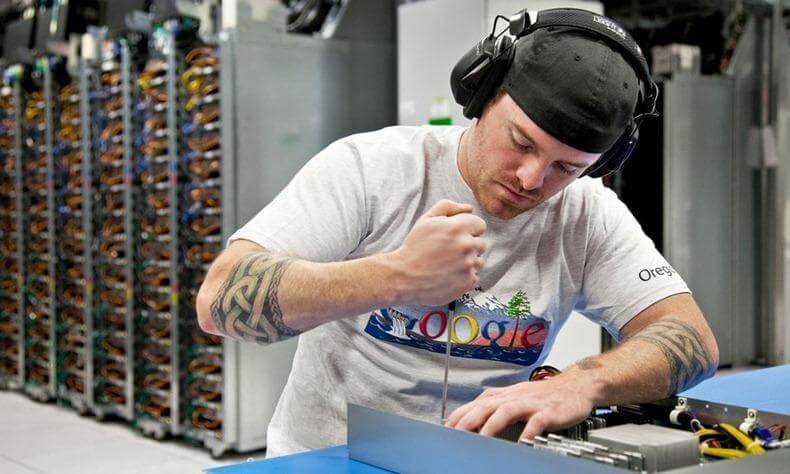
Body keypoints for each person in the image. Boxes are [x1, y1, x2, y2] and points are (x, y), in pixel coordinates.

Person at [196, 10, 719, 458]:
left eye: (566, 167)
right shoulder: (371, 169)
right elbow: (219, 300)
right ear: (482, 93)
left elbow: (691, 338)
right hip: (333, 458)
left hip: (476, 460)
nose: (531, 179)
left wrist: (583, 383)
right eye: (521, 142)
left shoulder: (587, 214)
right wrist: (394, 277)